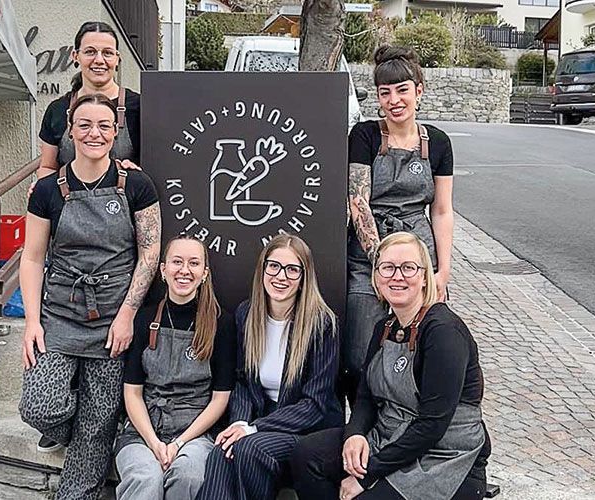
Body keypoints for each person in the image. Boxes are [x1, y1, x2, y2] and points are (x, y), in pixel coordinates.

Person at [17, 93, 161, 499]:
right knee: (39, 405)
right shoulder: (47, 190)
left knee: (97, 428)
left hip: (115, 317)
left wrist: (128, 314)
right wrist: (31, 321)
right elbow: (32, 257)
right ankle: (79, 421)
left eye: (103, 126)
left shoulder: (136, 184)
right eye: (84, 125)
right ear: (70, 131)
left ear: (116, 133)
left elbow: (150, 253)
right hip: (60, 315)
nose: (93, 134)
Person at [290, 232, 490, 500]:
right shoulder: (384, 328)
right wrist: (355, 435)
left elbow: (432, 426)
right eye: (388, 267)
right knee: (306, 454)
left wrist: (369, 474)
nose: (397, 276)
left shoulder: (443, 332)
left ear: (423, 276)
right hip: (389, 435)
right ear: (376, 276)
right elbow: (365, 398)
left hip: (444, 455)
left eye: (408, 268)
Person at [345, 45, 455, 397]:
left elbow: (441, 210)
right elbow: (358, 201)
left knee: (418, 347)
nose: (394, 100)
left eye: (402, 90)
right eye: (385, 92)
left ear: (418, 91)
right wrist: (382, 262)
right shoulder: (364, 136)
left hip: (419, 259)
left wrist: (441, 271)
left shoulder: (437, 143)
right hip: (367, 259)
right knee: (360, 353)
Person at [196, 234, 342, 500]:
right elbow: (241, 381)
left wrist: (254, 428)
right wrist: (240, 421)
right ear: (262, 269)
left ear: (304, 277)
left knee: (248, 449)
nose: (281, 276)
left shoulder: (322, 324)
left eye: (292, 269)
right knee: (221, 450)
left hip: (306, 431)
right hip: (257, 423)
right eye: (273, 266)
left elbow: (315, 404)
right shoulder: (246, 314)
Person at [114, 235, 236, 500]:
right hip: (142, 432)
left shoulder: (221, 324)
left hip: (196, 434)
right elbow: (132, 392)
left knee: (188, 475)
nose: (184, 270)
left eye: (194, 263)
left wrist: (179, 443)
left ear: (204, 273)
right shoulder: (144, 319)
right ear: (163, 269)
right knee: (145, 478)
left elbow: (220, 399)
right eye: (177, 262)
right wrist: (154, 443)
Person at [36, 21, 141, 178]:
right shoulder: (57, 109)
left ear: (117, 58)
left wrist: (137, 174)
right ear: (76, 56)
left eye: (107, 53)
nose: (99, 60)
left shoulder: (140, 107)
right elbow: (47, 167)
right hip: (70, 201)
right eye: (90, 52)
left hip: (126, 201)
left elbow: (156, 167)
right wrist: (44, 190)